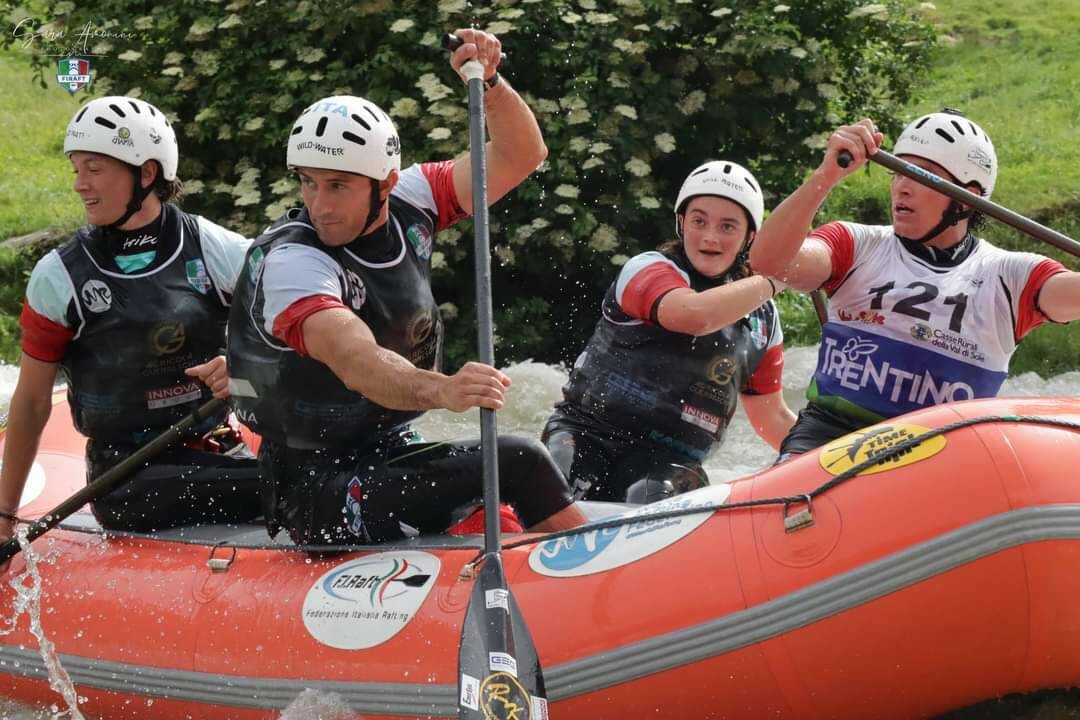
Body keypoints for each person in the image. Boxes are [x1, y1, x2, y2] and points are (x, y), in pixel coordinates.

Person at [227, 29, 586, 546]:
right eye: (308, 182)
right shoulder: (294, 262)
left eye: (338, 186)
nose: (319, 205)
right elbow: (358, 362)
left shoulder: (415, 199)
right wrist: (443, 389)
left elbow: (520, 154)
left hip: (390, 445)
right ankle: (604, 580)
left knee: (509, 476)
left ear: (386, 185)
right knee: (522, 458)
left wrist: (491, 83)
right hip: (316, 490)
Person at [0, 96, 261, 548]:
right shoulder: (58, 277)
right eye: (75, 169)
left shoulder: (214, 249)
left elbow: (296, 327)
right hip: (129, 480)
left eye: (95, 169)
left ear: (147, 173)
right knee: (299, 488)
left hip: (220, 450)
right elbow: (32, 403)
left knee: (307, 472)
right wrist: (4, 516)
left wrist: (244, 360)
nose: (80, 184)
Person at [750, 110, 1080, 458]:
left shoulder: (1012, 276)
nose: (901, 187)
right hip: (829, 435)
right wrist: (826, 175)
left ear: (966, 198)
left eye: (922, 177)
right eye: (897, 173)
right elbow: (769, 262)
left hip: (938, 455)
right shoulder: (855, 243)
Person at [541, 161, 795, 504]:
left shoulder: (764, 318)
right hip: (586, 434)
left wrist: (842, 457)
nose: (710, 236)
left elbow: (773, 418)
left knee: (648, 496)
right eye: (699, 221)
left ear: (750, 236)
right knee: (557, 493)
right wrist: (778, 278)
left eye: (727, 226)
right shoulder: (647, 268)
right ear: (681, 223)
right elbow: (695, 315)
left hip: (672, 462)